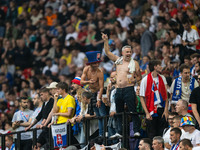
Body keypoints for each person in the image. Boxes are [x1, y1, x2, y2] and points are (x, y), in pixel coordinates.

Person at [102, 32, 141, 137]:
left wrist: (136, 83)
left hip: (129, 89)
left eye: (130, 52)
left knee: (133, 111)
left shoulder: (134, 63)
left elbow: (139, 77)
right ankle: (119, 132)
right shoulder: (118, 60)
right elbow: (107, 52)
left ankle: (136, 130)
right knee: (118, 112)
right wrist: (106, 41)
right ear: (122, 53)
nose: (128, 53)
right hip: (118, 89)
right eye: (127, 52)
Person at [140, 60, 168, 139]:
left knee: (162, 133)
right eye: (159, 65)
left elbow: (166, 95)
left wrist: (166, 110)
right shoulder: (145, 79)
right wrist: (147, 113)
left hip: (161, 109)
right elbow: (142, 97)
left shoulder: (162, 78)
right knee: (152, 134)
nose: (161, 67)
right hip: (151, 110)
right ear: (155, 67)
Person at [81, 51, 106, 137]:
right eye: (96, 63)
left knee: (102, 114)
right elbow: (81, 81)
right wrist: (88, 81)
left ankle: (104, 133)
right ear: (91, 64)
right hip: (92, 92)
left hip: (99, 92)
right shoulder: (86, 69)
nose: (98, 64)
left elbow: (102, 87)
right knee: (98, 115)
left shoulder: (99, 72)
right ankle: (100, 134)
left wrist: (99, 99)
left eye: (98, 63)